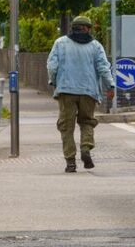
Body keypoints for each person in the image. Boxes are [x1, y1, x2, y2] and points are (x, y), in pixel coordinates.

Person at [46, 16, 114, 173]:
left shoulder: (60, 43)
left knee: (66, 127)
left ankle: (70, 162)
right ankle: (85, 148)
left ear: (73, 28)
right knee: (87, 122)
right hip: (88, 91)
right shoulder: (96, 46)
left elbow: (52, 66)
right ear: (87, 28)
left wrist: (54, 81)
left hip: (66, 91)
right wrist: (110, 85)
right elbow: (104, 67)